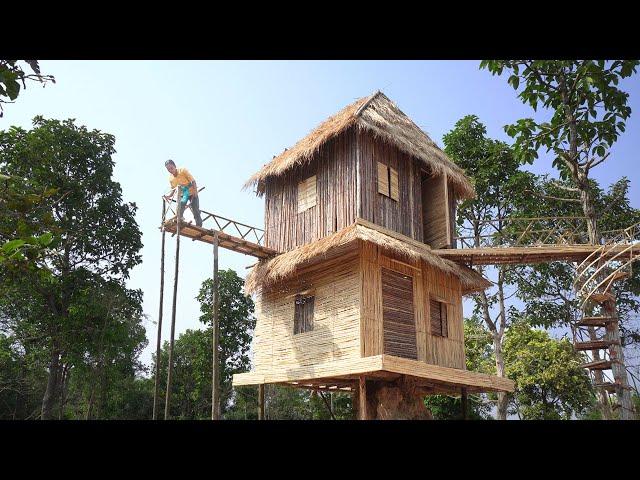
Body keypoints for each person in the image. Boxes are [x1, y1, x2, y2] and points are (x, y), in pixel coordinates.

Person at [164, 159, 203, 227]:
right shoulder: (171, 178)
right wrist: (169, 196)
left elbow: (193, 181)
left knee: (195, 210)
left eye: (171, 168)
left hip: (191, 192)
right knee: (180, 207)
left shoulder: (183, 171)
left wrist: (195, 192)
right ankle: (180, 220)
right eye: (168, 169)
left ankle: (199, 226)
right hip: (183, 194)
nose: (170, 170)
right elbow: (173, 189)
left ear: (175, 166)